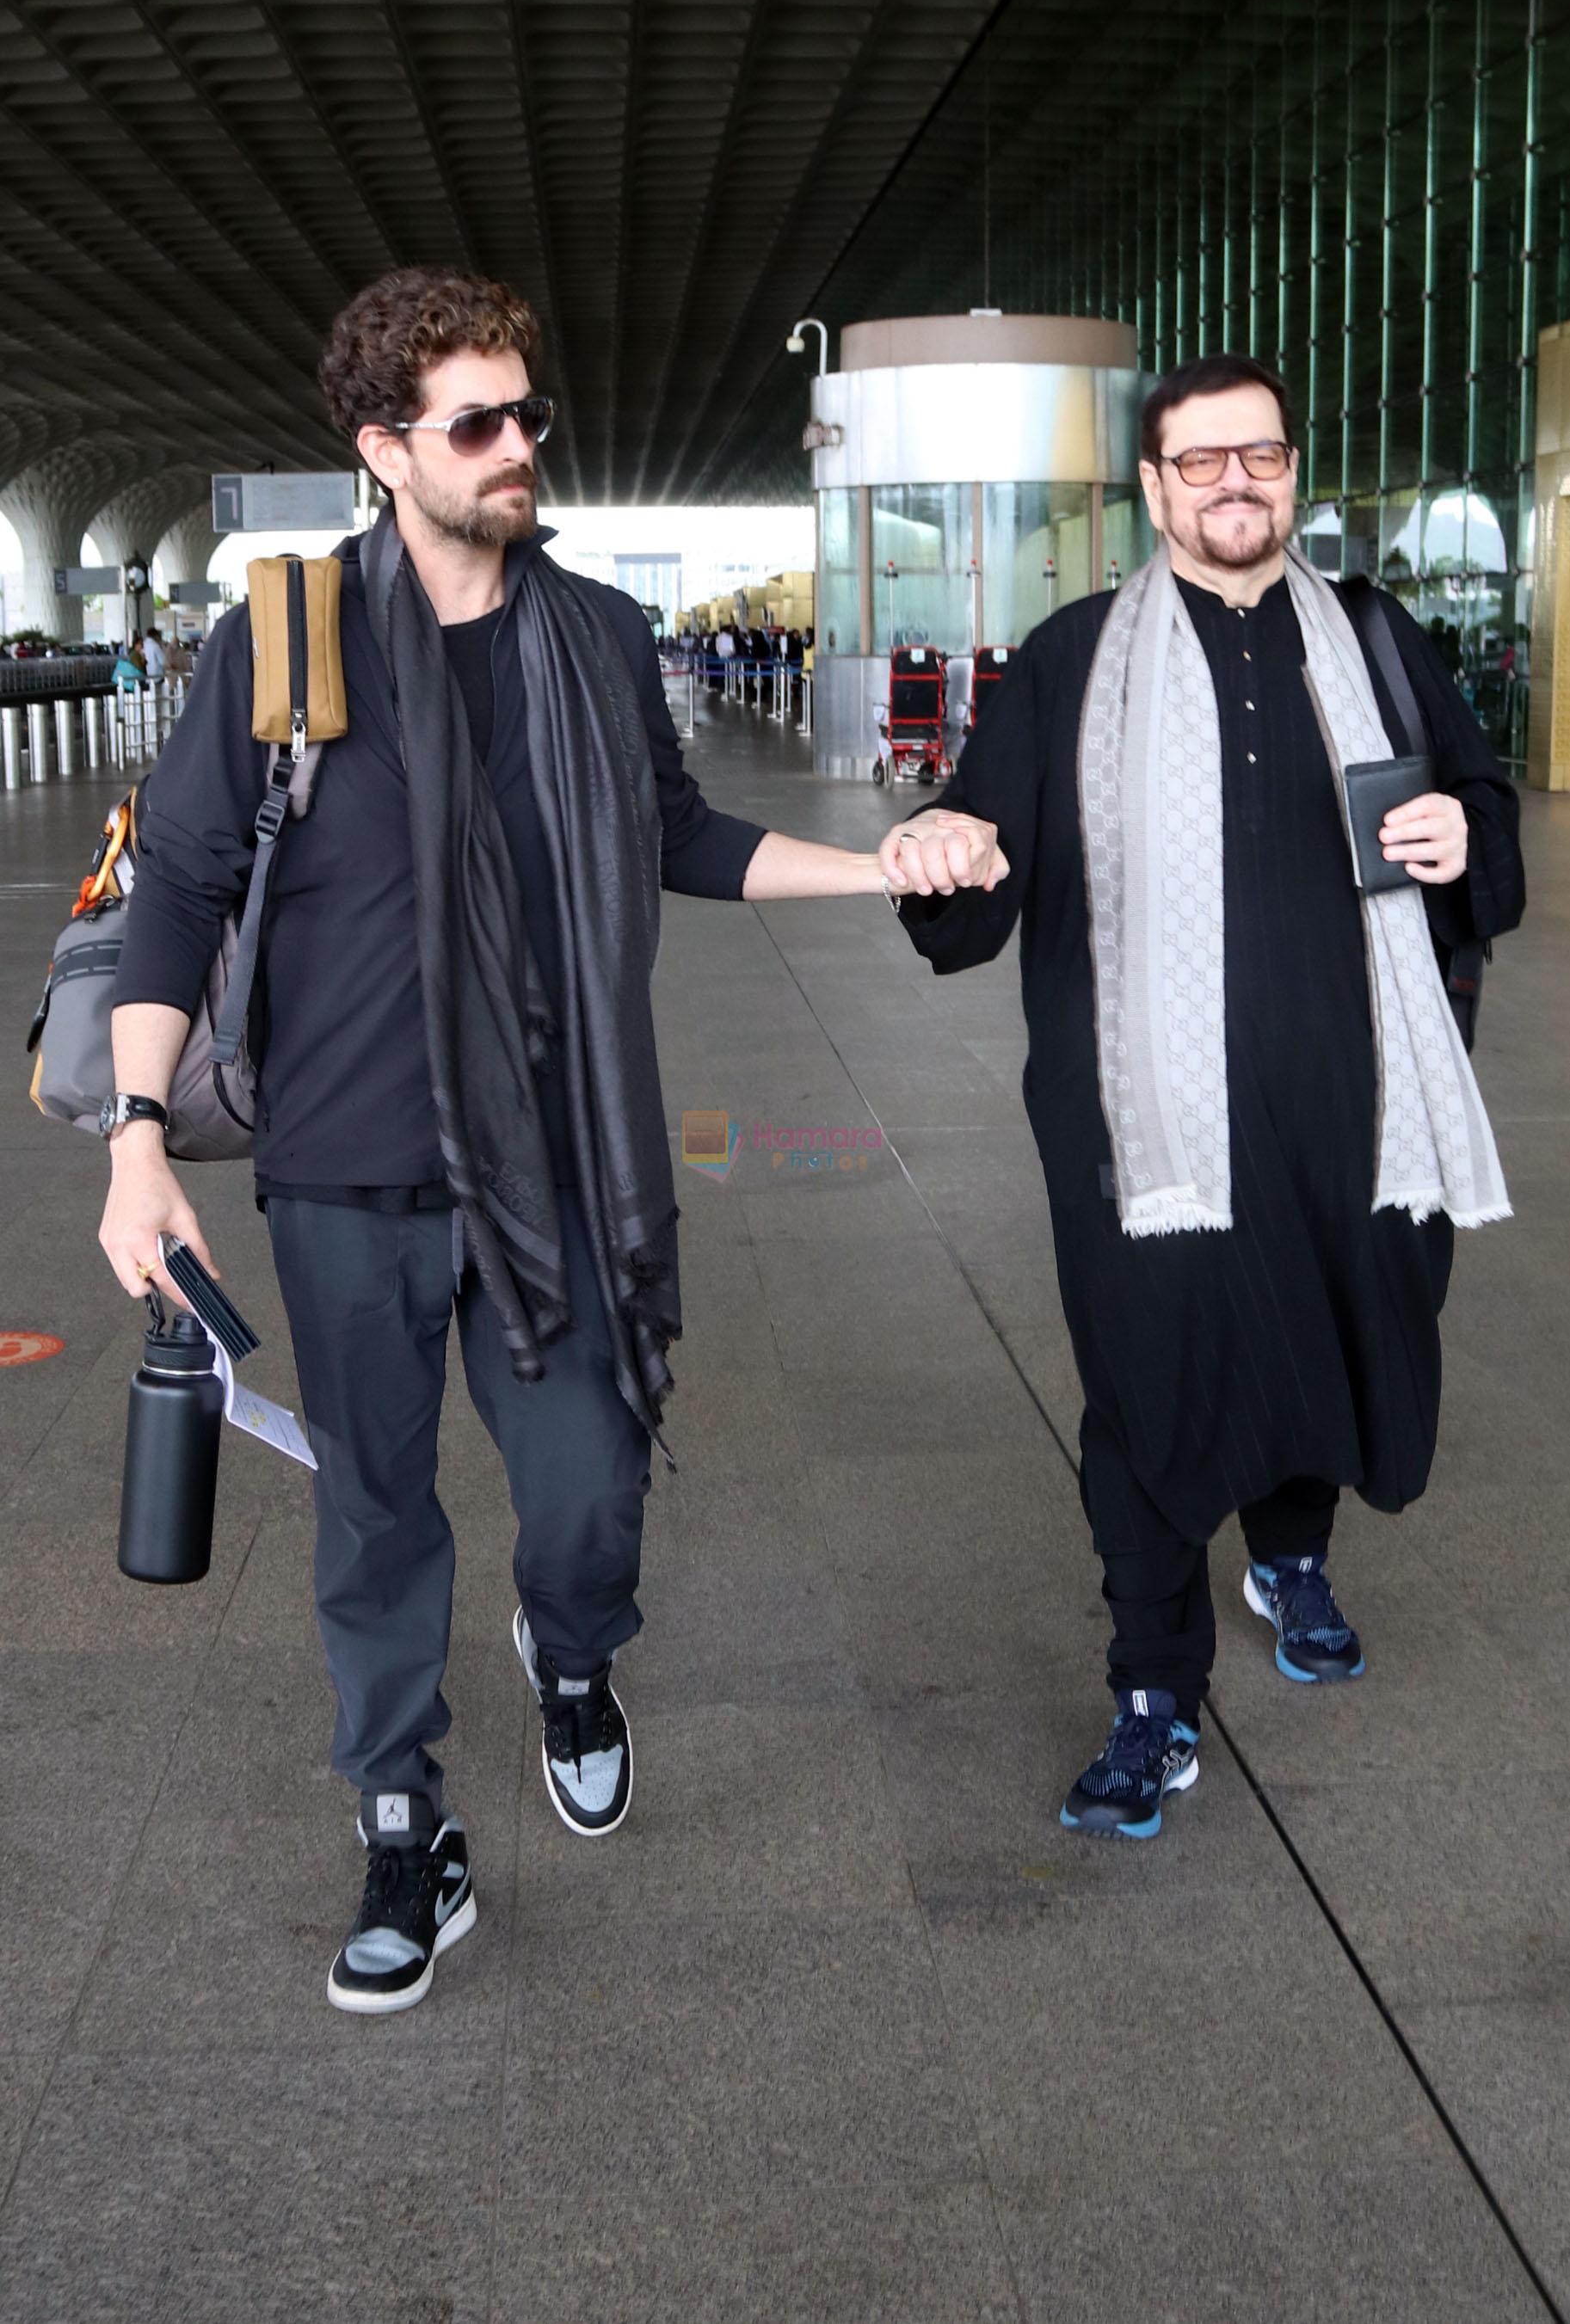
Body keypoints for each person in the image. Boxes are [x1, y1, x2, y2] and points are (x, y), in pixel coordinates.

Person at [98, 266, 1000, 2014]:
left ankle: (570, 1651)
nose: (522, 448)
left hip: (554, 1156)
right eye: (478, 424)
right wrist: (137, 1138)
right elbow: (180, 889)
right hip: (343, 1164)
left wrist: (882, 860)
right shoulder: (283, 638)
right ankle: (400, 1816)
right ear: (382, 447)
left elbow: (678, 833)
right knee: (376, 1509)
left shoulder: (586, 633)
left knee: (585, 1489)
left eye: (531, 415)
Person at [878, 353, 1523, 1841]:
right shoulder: (1070, 659)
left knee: (1337, 1342)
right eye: (1201, 461)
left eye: (1262, 457)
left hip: (1361, 1107)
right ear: (1154, 488)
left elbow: (1482, 812)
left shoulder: (1372, 632)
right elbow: (978, 869)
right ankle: (1153, 1689)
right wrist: (945, 852)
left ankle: (1291, 1556)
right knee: (1150, 1387)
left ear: (1289, 472)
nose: (1236, 483)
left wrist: (1452, 822)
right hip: (1143, 1125)